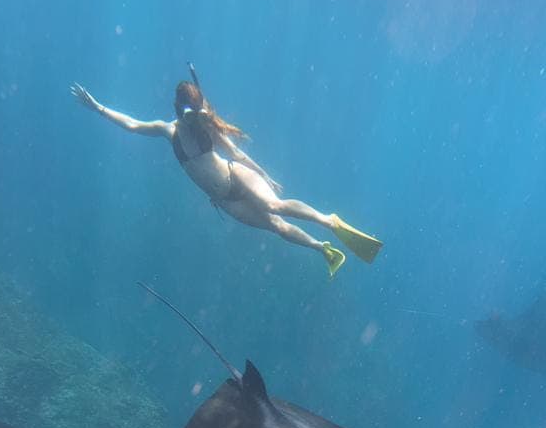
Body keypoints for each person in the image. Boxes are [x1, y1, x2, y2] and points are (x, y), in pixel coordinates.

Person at [70, 68, 382, 278]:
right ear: (178, 110)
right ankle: (323, 250)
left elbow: (236, 153)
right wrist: (99, 108)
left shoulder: (207, 126)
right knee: (277, 227)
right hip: (224, 199)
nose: (191, 117)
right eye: (187, 112)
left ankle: (330, 221)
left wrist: (264, 174)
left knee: (274, 205)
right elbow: (133, 125)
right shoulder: (169, 130)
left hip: (236, 176)